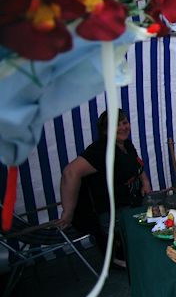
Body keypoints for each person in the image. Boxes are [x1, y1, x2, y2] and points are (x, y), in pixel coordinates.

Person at [57, 109, 151, 264]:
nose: (123, 127)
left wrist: (145, 182)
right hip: (111, 212)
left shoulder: (126, 144)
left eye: (125, 122)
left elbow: (137, 164)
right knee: (125, 255)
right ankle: (116, 258)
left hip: (130, 204)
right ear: (105, 130)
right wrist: (68, 211)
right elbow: (70, 173)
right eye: (116, 125)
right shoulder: (100, 150)